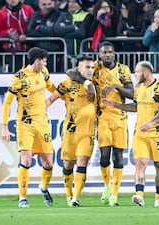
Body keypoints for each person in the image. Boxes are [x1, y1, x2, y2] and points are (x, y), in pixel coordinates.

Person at [67, 41, 134, 206]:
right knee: (105, 156)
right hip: (102, 116)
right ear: (100, 54)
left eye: (110, 52)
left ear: (114, 53)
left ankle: (114, 195)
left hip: (120, 117)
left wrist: (116, 87)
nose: (108, 55)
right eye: (104, 52)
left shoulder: (123, 70)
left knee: (118, 157)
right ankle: (106, 186)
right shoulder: (94, 67)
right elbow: (70, 72)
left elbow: (132, 93)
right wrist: (87, 83)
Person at [102, 60, 159, 207]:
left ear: (145, 73)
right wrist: (116, 105)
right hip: (140, 133)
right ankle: (139, 195)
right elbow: (135, 106)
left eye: (137, 71)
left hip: (157, 133)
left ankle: (158, 198)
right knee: (141, 163)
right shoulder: (138, 88)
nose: (135, 74)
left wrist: (151, 123)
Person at [1, 47, 56, 208]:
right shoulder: (18, 78)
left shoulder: (43, 72)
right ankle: (22, 197)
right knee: (26, 159)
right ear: (37, 61)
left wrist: (63, 94)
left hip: (43, 123)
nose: (46, 63)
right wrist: (4, 127)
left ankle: (43, 188)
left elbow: (51, 86)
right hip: (25, 124)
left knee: (48, 164)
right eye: (44, 60)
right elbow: (7, 103)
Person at [45, 56, 97, 207]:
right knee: (68, 164)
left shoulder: (96, 83)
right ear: (78, 69)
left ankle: (76, 197)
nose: (91, 70)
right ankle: (68, 194)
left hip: (87, 131)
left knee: (82, 162)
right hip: (70, 131)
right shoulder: (67, 83)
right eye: (87, 67)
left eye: (92, 67)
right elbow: (50, 100)